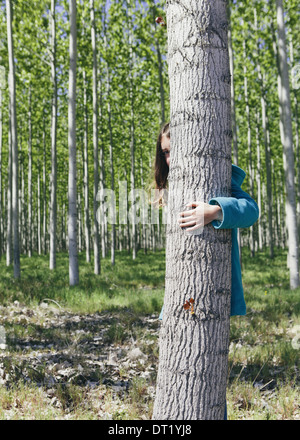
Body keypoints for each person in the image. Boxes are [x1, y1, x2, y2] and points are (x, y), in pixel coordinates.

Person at [153, 121, 259, 420]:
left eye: (175, 151)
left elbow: (251, 210)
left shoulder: (221, 177)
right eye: (166, 153)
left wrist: (216, 210)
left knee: (207, 376)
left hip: (214, 291)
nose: (171, 159)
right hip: (177, 296)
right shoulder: (173, 186)